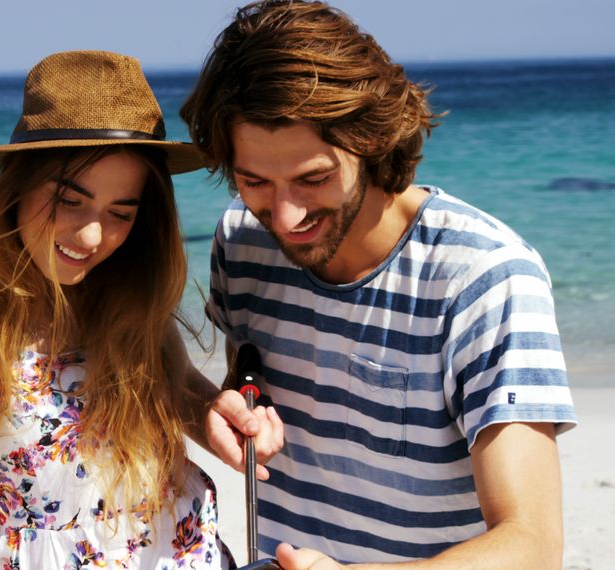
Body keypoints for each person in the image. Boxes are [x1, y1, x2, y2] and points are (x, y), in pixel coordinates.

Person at [180, 2, 578, 568]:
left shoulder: (486, 278)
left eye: (312, 179)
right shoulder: (242, 241)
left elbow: (533, 546)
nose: (286, 216)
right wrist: (233, 405)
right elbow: (249, 375)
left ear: (372, 141)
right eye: (254, 181)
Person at [0, 50, 284, 569]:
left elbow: (169, 386)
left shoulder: (123, 284)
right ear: (18, 183)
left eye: (120, 213)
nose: (92, 237)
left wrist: (213, 415)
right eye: (69, 200)